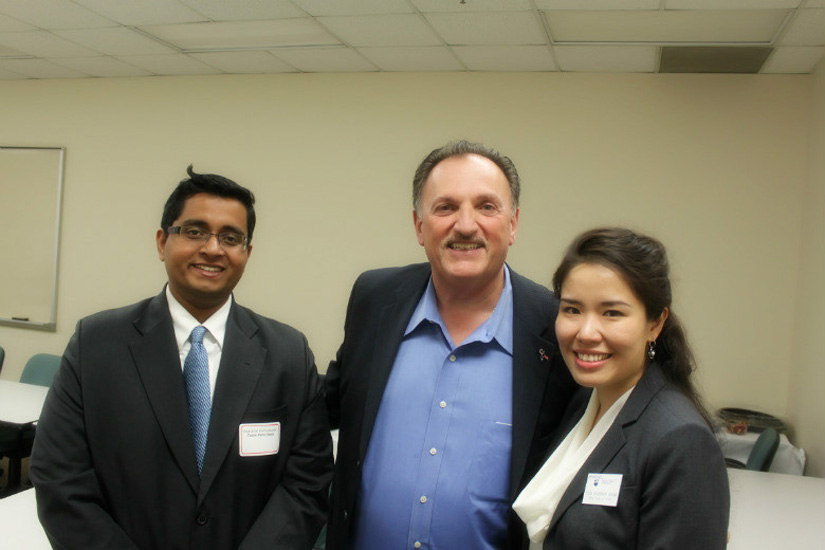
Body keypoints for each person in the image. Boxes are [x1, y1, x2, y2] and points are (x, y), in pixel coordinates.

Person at [30, 166, 333, 550]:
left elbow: (307, 483)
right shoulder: (96, 345)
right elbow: (59, 477)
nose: (213, 249)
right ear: (162, 242)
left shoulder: (288, 353)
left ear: (247, 253)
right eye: (194, 231)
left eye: (231, 238)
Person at [324, 140, 578, 550]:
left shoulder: (556, 327)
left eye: (486, 206)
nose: (465, 225)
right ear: (418, 225)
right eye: (445, 207)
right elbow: (328, 407)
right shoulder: (375, 300)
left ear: (513, 224)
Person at [513, 227, 729, 549]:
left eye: (612, 313)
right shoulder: (584, 402)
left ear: (655, 323)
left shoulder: (681, 440)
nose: (586, 332)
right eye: (572, 309)